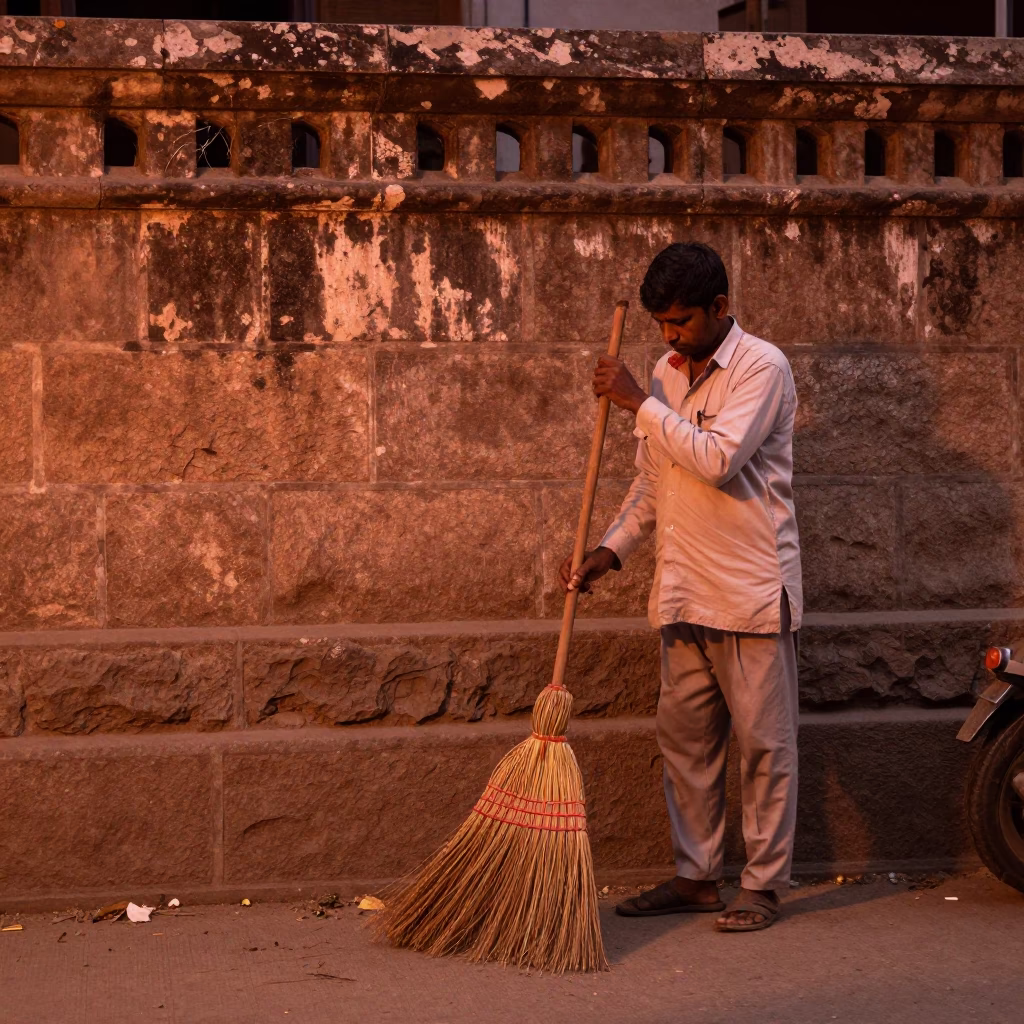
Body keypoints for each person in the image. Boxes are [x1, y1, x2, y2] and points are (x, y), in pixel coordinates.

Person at [559, 242, 802, 932]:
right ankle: (697, 877)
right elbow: (655, 479)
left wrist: (637, 400)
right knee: (687, 745)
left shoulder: (763, 367)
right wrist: (611, 548)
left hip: (752, 588)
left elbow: (718, 460)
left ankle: (760, 885)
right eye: (662, 323)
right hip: (682, 586)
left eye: (683, 321)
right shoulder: (667, 376)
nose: (670, 336)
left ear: (721, 307)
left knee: (765, 746)